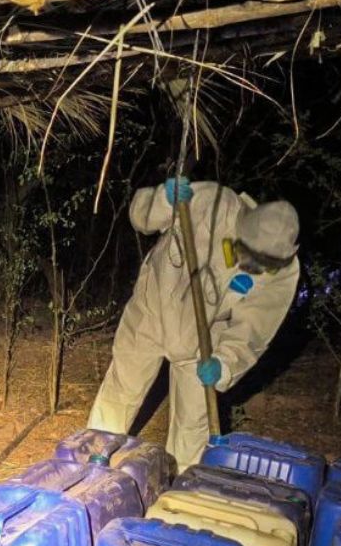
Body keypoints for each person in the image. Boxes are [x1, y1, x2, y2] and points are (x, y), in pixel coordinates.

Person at [88, 175, 301, 469]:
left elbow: (253, 330)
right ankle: (89, 461)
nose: (252, 265)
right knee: (121, 392)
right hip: (152, 311)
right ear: (241, 227)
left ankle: (182, 487)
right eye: (248, 254)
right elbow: (142, 217)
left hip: (204, 342)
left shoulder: (283, 275)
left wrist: (225, 363)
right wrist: (163, 199)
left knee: (193, 423)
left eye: (262, 263)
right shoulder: (210, 202)